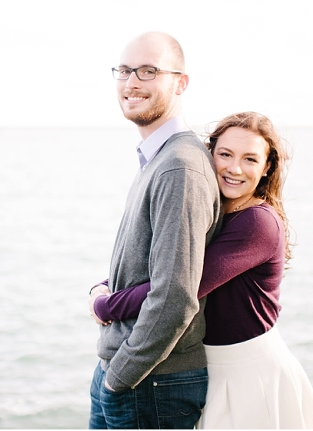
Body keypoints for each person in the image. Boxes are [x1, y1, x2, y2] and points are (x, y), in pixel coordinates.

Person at [90, 112, 313, 429]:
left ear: (267, 167)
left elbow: (182, 284)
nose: (235, 168)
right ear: (209, 153)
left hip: (249, 372)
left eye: (250, 159)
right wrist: (105, 285)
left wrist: (107, 304)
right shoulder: (213, 210)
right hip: (213, 366)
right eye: (225, 154)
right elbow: (167, 264)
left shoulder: (257, 223)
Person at [88, 32, 222, 429]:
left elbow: (176, 294)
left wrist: (122, 376)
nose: (132, 82)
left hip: (151, 381)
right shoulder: (158, 157)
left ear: (180, 82)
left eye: (149, 71)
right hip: (132, 375)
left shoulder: (179, 166)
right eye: (125, 71)